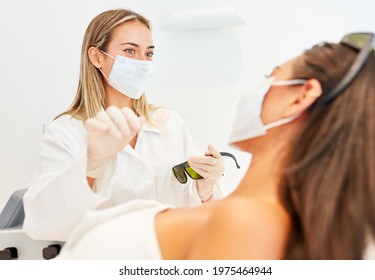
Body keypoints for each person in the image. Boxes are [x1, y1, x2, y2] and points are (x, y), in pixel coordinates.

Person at [57, 32, 375, 259]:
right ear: (95, 58)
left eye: (271, 75)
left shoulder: (245, 222)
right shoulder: (248, 214)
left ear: (300, 97)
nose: (258, 87)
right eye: (130, 50)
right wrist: (203, 190)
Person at [22, 9, 228, 242]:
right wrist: (91, 166)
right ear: (97, 57)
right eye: (130, 51)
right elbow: (41, 223)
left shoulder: (168, 123)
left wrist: (206, 191)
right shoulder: (66, 132)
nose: (142, 62)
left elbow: (206, 220)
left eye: (149, 53)